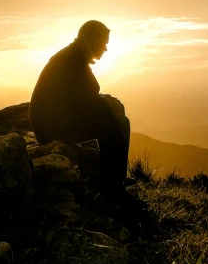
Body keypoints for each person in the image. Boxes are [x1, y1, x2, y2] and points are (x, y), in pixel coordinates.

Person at [29, 20, 131, 198]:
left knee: (114, 117)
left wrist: (106, 101)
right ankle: (112, 186)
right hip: (51, 127)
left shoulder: (74, 56)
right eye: (104, 43)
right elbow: (86, 98)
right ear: (91, 40)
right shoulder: (73, 60)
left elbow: (84, 95)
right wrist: (108, 103)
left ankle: (116, 178)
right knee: (117, 123)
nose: (105, 49)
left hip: (54, 121)